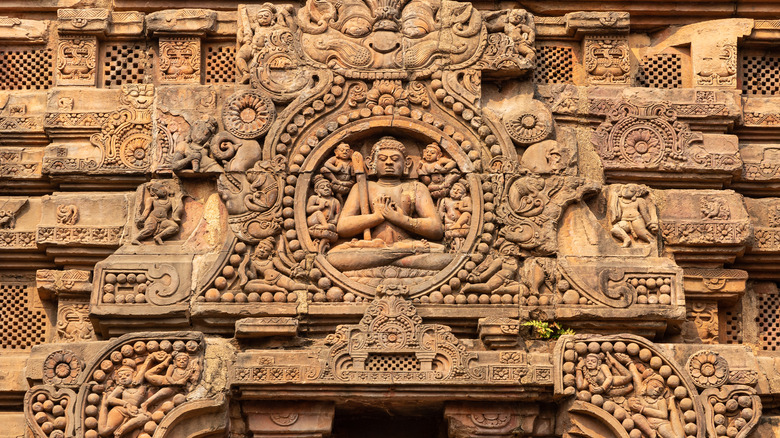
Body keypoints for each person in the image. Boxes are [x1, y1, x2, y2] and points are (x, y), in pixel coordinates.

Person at [327, 136, 452, 271]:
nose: (389, 163)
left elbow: (436, 229)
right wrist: (377, 217)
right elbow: (343, 227)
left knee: (444, 256)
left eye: (395, 159)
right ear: (370, 163)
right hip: (373, 248)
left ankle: (390, 259)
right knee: (334, 257)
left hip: (406, 246)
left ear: (407, 163)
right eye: (382, 159)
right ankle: (396, 260)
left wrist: (400, 219)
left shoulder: (416, 188)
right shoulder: (362, 187)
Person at [97, 361, 152, 438]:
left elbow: (144, 371)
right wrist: (126, 404)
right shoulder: (121, 388)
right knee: (104, 431)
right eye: (120, 376)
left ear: (134, 375)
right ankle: (103, 406)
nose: (123, 377)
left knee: (148, 416)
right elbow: (110, 399)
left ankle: (123, 428)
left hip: (135, 411)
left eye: (127, 375)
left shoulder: (142, 387)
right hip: (121, 410)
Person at [132, 181, 182, 245]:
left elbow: (176, 209)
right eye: (158, 191)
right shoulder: (151, 199)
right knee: (150, 229)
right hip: (153, 218)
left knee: (175, 227)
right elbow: (147, 209)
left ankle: (158, 236)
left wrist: (179, 198)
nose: (163, 192)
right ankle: (136, 239)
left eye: (163, 190)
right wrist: (142, 218)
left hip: (163, 220)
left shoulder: (170, 200)